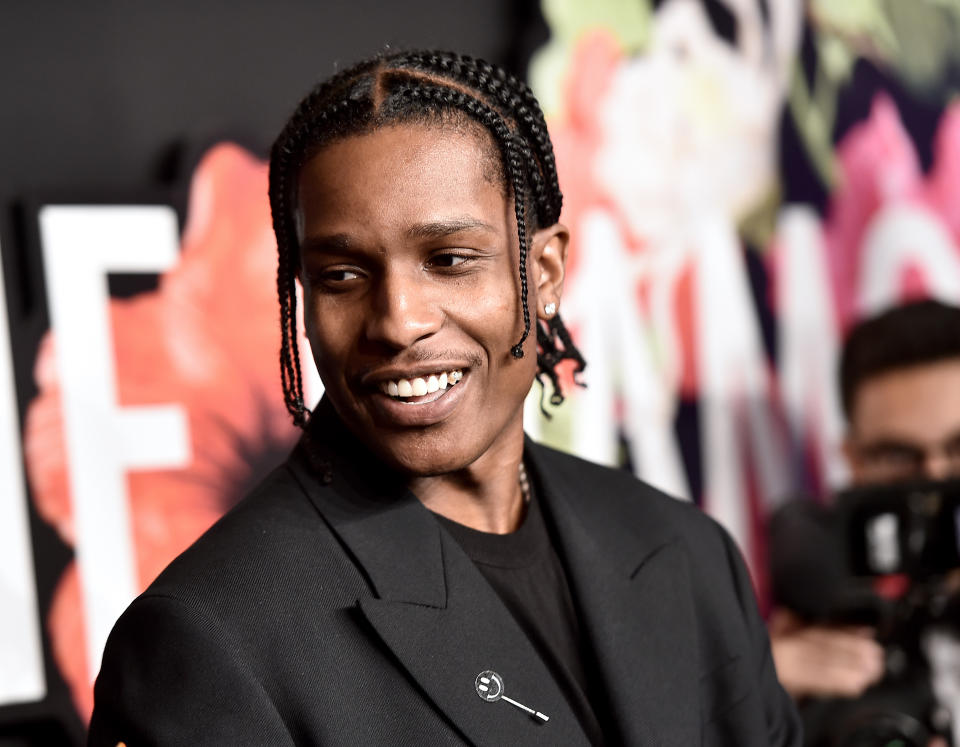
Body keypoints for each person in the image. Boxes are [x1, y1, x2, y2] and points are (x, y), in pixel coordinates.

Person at [88, 50, 800, 745]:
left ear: (544, 271)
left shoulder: (684, 548)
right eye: (342, 275)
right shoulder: (212, 640)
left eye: (450, 260)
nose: (398, 319)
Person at [769, 300, 960, 727]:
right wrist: (750, 703)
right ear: (853, 461)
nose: (935, 477)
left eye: (958, 448)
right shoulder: (816, 609)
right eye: (898, 456)